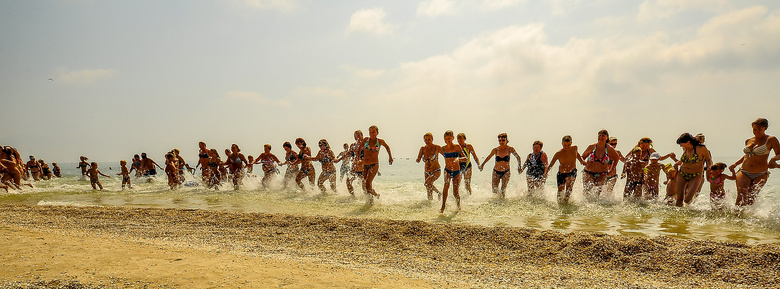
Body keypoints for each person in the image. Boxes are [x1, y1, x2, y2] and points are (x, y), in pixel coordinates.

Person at [729, 118, 779, 207]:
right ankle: (736, 219)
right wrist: (736, 164)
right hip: (744, 171)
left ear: (765, 128)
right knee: (741, 196)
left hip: (761, 173)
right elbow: (747, 156)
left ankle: (749, 219)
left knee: (751, 198)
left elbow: (779, 154)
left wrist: (773, 159)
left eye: (760, 129)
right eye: (754, 129)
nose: (757, 131)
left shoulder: (771, 139)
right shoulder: (748, 140)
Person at [479, 133, 522, 199]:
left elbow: (518, 157)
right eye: (500, 140)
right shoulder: (495, 150)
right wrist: (482, 165)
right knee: (494, 190)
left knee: (503, 190)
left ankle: (503, 203)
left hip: (506, 171)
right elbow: (489, 157)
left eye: (503, 140)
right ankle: (496, 204)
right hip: (496, 171)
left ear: (506, 140)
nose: (501, 142)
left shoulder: (510, 149)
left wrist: (519, 167)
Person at [674, 133, 712, 207]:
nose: (681, 146)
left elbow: (709, 160)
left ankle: (688, 215)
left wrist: (709, 167)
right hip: (682, 173)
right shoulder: (685, 148)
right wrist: (676, 163)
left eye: (682, 144)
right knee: (679, 199)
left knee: (687, 199)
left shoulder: (701, 149)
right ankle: (678, 217)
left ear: (688, 142)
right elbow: (684, 160)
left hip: (696, 175)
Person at [581, 130, 621, 198]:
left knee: (597, 194)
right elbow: (583, 157)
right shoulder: (592, 147)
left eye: (603, 135)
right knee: (587, 191)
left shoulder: (609, 149)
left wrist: (611, 169)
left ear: (607, 137)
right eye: (599, 135)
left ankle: (596, 208)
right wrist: (583, 162)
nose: (601, 137)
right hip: (589, 172)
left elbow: (616, 158)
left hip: (602, 174)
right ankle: (586, 208)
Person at [545, 135, 585, 204]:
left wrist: (581, 161)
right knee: (560, 190)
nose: (566, 147)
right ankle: (560, 204)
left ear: (571, 143)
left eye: (568, 145)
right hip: (561, 173)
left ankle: (566, 202)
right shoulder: (558, 153)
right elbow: (551, 164)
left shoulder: (575, 148)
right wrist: (546, 172)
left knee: (569, 188)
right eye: (564, 145)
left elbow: (576, 154)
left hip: (572, 171)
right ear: (562, 144)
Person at [359, 125, 393, 203]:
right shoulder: (366, 140)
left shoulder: (380, 141)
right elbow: (359, 148)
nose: (372, 134)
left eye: (373, 132)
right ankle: (374, 196)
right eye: (370, 132)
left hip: (374, 164)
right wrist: (358, 159)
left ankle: (371, 201)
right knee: (364, 185)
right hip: (365, 165)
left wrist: (390, 157)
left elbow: (387, 147)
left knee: (367, 183)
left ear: (377, 132)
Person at [439, 131, 465, 213]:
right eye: (446, 138)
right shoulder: (443, 148)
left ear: (453, 138)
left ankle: (458, 207)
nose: (448, 140)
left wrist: (458, 159)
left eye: (449, 138)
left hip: (456, 171)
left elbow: (465, 158)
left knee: (455, 192)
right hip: (447, 170)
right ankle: (443, 206)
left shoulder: (457, 147)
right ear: (444, 139)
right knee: (446, 185)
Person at [416, 133, 442, 201]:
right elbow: (418, 158)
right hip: (427, 172)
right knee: (429, 190)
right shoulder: (423, 148)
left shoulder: (437, 147)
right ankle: (430, 206)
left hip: (436, 170)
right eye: (425, 140)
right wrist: (418, 160)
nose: (427, 141)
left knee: (427, 184)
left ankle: (439, 193)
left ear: (432, 139)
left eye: (429, 139)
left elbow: (446, 155)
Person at [346, 131, 365, 196]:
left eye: (358, 135)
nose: (357, 137)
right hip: (354, 169)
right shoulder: (353, 146)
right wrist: (339, 159)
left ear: (362, 136)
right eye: (355, 136)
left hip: (363, 170)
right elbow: (348, 154)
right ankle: (353, 196)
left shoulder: (366, 145)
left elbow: (370, 155)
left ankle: (368, 198)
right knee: (348, 182)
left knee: (364, 187)